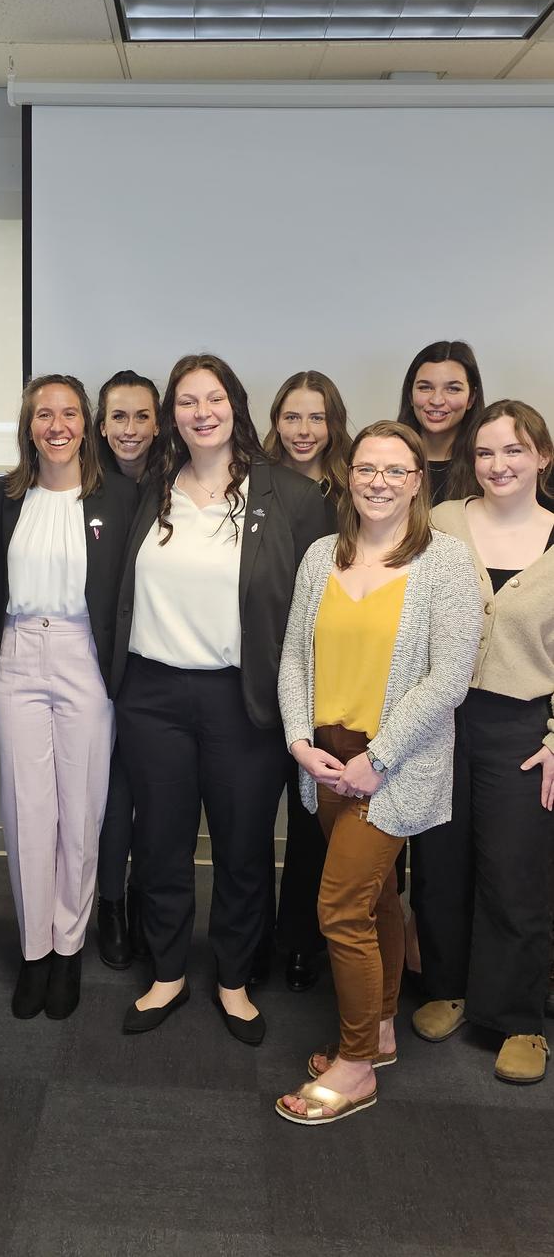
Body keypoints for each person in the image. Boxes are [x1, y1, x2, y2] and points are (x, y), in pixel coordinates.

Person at [110, 354, 327, 1045]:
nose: (201, 412)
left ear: (235, 404)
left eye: (213, 398)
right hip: (153, 695)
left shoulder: (289, 496)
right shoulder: (148, 488)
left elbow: (318, 610)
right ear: (173, 414)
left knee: (241, 847)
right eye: (186, 401)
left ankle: (233, 979)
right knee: (162, 842)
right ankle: (168, 972)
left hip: (243, 699)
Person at [275, 421, 480, 1123]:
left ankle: (357, 1062)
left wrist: (378, 759)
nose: (380, 482)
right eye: (367, 468)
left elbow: (449, 678)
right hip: (326, 761)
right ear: (348, 475)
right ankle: (384, 1027)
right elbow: (294, 657)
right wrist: (300, 741)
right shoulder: (319, 557)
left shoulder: (445, 562)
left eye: (397, 471)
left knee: (339, 907)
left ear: (419, 481)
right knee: (379, 898)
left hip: (391, 765)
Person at [0, 374, 138, 1020]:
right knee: (28, 811)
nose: (57, 425)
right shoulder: (0, 498)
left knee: (82, 809)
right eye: (44, 414)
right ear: (29, 425)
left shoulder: (122, 499)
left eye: (69, 412)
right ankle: (34, 949)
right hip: (17, 657)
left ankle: (69, 946)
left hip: (84, 660)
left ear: (88, 424)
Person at [412, 400, 554, 1084]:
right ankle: (447, 986)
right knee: (439, 862)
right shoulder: (442, 523)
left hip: (522, 728)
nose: (500, 466)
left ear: (543, 458)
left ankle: (519, 1017)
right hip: (441, 717)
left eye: (515, 451)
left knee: (514, 872)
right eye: (488, 453)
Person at [260, 369, 352, 991]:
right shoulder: (255, 485)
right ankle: (279, 939)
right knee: (267, 814)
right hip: (267, 668)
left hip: (337, 676)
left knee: (321, 814)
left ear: (334, 423)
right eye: (292, 417)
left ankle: (318, 942)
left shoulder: (354, 491)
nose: (303, 430)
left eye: (316, 417)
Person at [95, 369, 160, 969]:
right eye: (119, 416)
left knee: (157, 797)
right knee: (114, 795)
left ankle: (148, 903)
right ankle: (110, 906)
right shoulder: (85, 487)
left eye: (142, 416)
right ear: (101, 422)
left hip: (160, 661)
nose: (131, 429)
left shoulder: (179, 482)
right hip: (99, 664)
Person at [396, 339, 484, 504]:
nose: (437, 400)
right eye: (425, 387)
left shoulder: (489, 466)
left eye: (453, 389)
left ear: (471, 398)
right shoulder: (384, 460)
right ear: (410, 395)